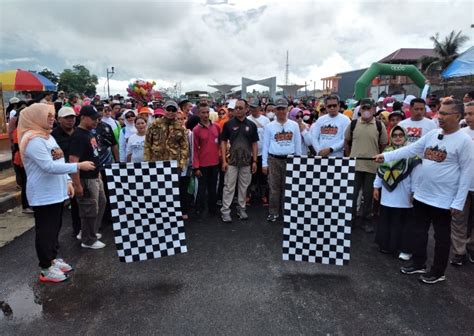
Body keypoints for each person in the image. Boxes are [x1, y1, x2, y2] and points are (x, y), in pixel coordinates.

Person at [374, 98, 474, 284]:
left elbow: (467, 174)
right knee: (418, 231)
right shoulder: (433, 134)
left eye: (445, 113)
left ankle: (437, 271)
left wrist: (458, 202)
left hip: (444, 200)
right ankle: (419, 262)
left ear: (457, 116)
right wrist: (385, 156)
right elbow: (410, 150)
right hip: (422, 195)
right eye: (440, 113)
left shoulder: (465, 142)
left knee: (441, 237)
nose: (440, 117)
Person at [18, 103, 95, 282]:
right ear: (35, 117)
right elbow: (48, 166)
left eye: (52, 115)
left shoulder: (47, 137)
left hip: (56, 192)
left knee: (55, 228)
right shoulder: (33, 140)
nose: (51, 119)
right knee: (45, 231)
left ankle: (52, 259)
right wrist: (78, 166)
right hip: (43, 194)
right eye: (48, 116)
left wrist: (68, 180)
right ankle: (45, 268)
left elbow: (59, 161)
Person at [373, 125, 419, 259]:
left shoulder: (411, 155)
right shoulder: (386, 151)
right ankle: (386, 245)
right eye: (394, 135)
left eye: (400, 135)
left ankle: (401, 247)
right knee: (387, 217)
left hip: (404, 194)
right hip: (387, 194)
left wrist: (414, 192)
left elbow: (416, 176)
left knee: (402, 221)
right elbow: (379, 172)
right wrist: (376, 187)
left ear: (405, 136)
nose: (398, 137)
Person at [344, 98, 389, 233]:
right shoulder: (353, 124)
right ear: (360, 110)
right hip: (355, 166)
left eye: (369, 108)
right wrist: (349, 157)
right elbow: (347, 142)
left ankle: (366, 220)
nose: (366, 111)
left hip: (371, 167)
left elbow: (383, 145)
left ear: (374, 110)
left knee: (369, 195)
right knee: (352, 194)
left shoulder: (379, 126)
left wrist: (377, 157)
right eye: (364, 108)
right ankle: (351, 218)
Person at [69, 106, 107, 250]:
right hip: (85, 179)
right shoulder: (78, 135)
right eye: (93, 118)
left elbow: (94, 155)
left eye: (97, 118)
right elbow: (73, 161)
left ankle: (89, 232)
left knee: (101, 203)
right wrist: (77, 184)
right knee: (89, 208)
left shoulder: (89, 133)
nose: (96, 121)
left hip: (95, 176)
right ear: (83, 117)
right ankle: (88, 239)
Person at [144, 100, 190, 216]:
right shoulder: (154, 125)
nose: (170, 112)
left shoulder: (180, 127)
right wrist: (147, 162)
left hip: (173, 165)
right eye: (168, 109)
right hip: (156, 163)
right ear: (164, 110)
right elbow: (147, 144)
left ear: (176, 111)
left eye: (173, 110)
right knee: (157, 190)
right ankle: (157, 214)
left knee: (173, 191)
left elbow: (184, 148)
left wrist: (182, 164)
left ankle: (171, 214)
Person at [262, 98, 302, 222]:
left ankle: (287, 212)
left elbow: (297, 144)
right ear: (274, 110)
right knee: (274, 188)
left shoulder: (294, 125)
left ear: (287, 110)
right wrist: (264, 163)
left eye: (283, 108)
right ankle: (273, 212)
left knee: (288, 187)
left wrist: (298, 161)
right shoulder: (269, 126)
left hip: (289, 159)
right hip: (274, 159)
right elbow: (266, 146)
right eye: (278, 109)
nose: (281, 111)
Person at [220, 99, 258, 222]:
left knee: (243, 187)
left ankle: (241, 209)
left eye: (240, 108)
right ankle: (225, 211)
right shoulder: (228, 124)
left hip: (246, 162)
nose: (237, 110)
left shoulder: (251, 125)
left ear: (246, 109)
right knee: (229, 187)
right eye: (236, 108)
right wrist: (224, 161)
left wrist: (255, 161)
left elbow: (254, 144)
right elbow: (223, 142)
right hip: (231, 162)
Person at [449, 101, 474, 265]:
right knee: (459, 220)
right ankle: (459, 252)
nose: (468, 117)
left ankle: (471, 247)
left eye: (471, 114)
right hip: (462, 186)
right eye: (466, 114)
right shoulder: (461, 134)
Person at [51, 106, 81, 236]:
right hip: (60, 174)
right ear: (59, 119)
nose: (71, 120)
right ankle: (53, 238)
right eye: (67, 118)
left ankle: (78, 230)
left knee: (78, 204)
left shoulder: (78, 132)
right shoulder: (53, 136)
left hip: (77, 172)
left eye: (72, 117)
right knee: (57, 209)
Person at [193, 103, 221, 216]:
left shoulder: (217, 127)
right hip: (202, 165)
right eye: (203, 112)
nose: (205, 115)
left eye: (207, 112)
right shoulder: (196, 130)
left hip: (215, 163)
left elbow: (221, 145)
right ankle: (198, 209)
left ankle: (212, 209)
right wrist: (196, 167)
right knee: (201, 188)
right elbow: (194, 149)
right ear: (198, 114)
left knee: (213, 187)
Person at [247, 99, 270, 205]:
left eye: (255, 107)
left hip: (263, 153)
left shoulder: (266, 120)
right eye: (251, 107)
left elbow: (268, 137)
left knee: (263, 176)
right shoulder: (247, 119)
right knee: (251, 176)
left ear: (259, 108)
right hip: (250, 153)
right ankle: (249, 195)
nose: (253, 110)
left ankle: (263, 195)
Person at [11, 107, 33, 214]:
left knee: (29, 181)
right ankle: (26, 206)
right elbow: (18, 146)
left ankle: (30, 204)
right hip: (22, 159)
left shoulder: (26, 129)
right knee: (26, 182)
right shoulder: (18, 131)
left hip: (26, 158)